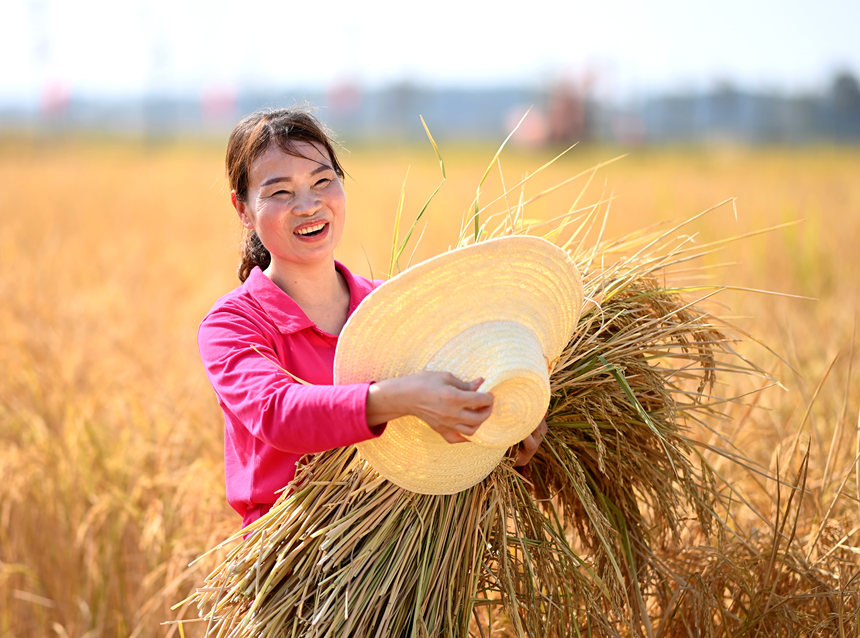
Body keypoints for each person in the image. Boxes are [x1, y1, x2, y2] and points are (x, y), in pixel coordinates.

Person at [198, 107, 547, 527]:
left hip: (413, 560)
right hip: (296, 570)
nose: (308, 205)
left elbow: (445, 433)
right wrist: (400, 398)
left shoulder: (393, 307)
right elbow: (278, 412)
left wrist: (509, 429)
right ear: (244, 209)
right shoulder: (233, 324)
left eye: (322, 181)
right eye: (280, 192)